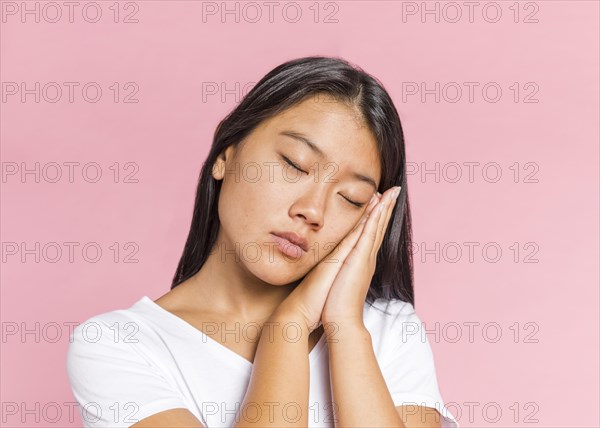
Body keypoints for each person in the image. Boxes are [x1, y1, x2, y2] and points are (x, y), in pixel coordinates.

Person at [67, 56, 459, 428]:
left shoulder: (388, 330)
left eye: (351, 198)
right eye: (294, 164)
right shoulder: (120, 345)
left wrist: (338, 324)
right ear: (227, 153)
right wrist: (288, 330)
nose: (313, 210)